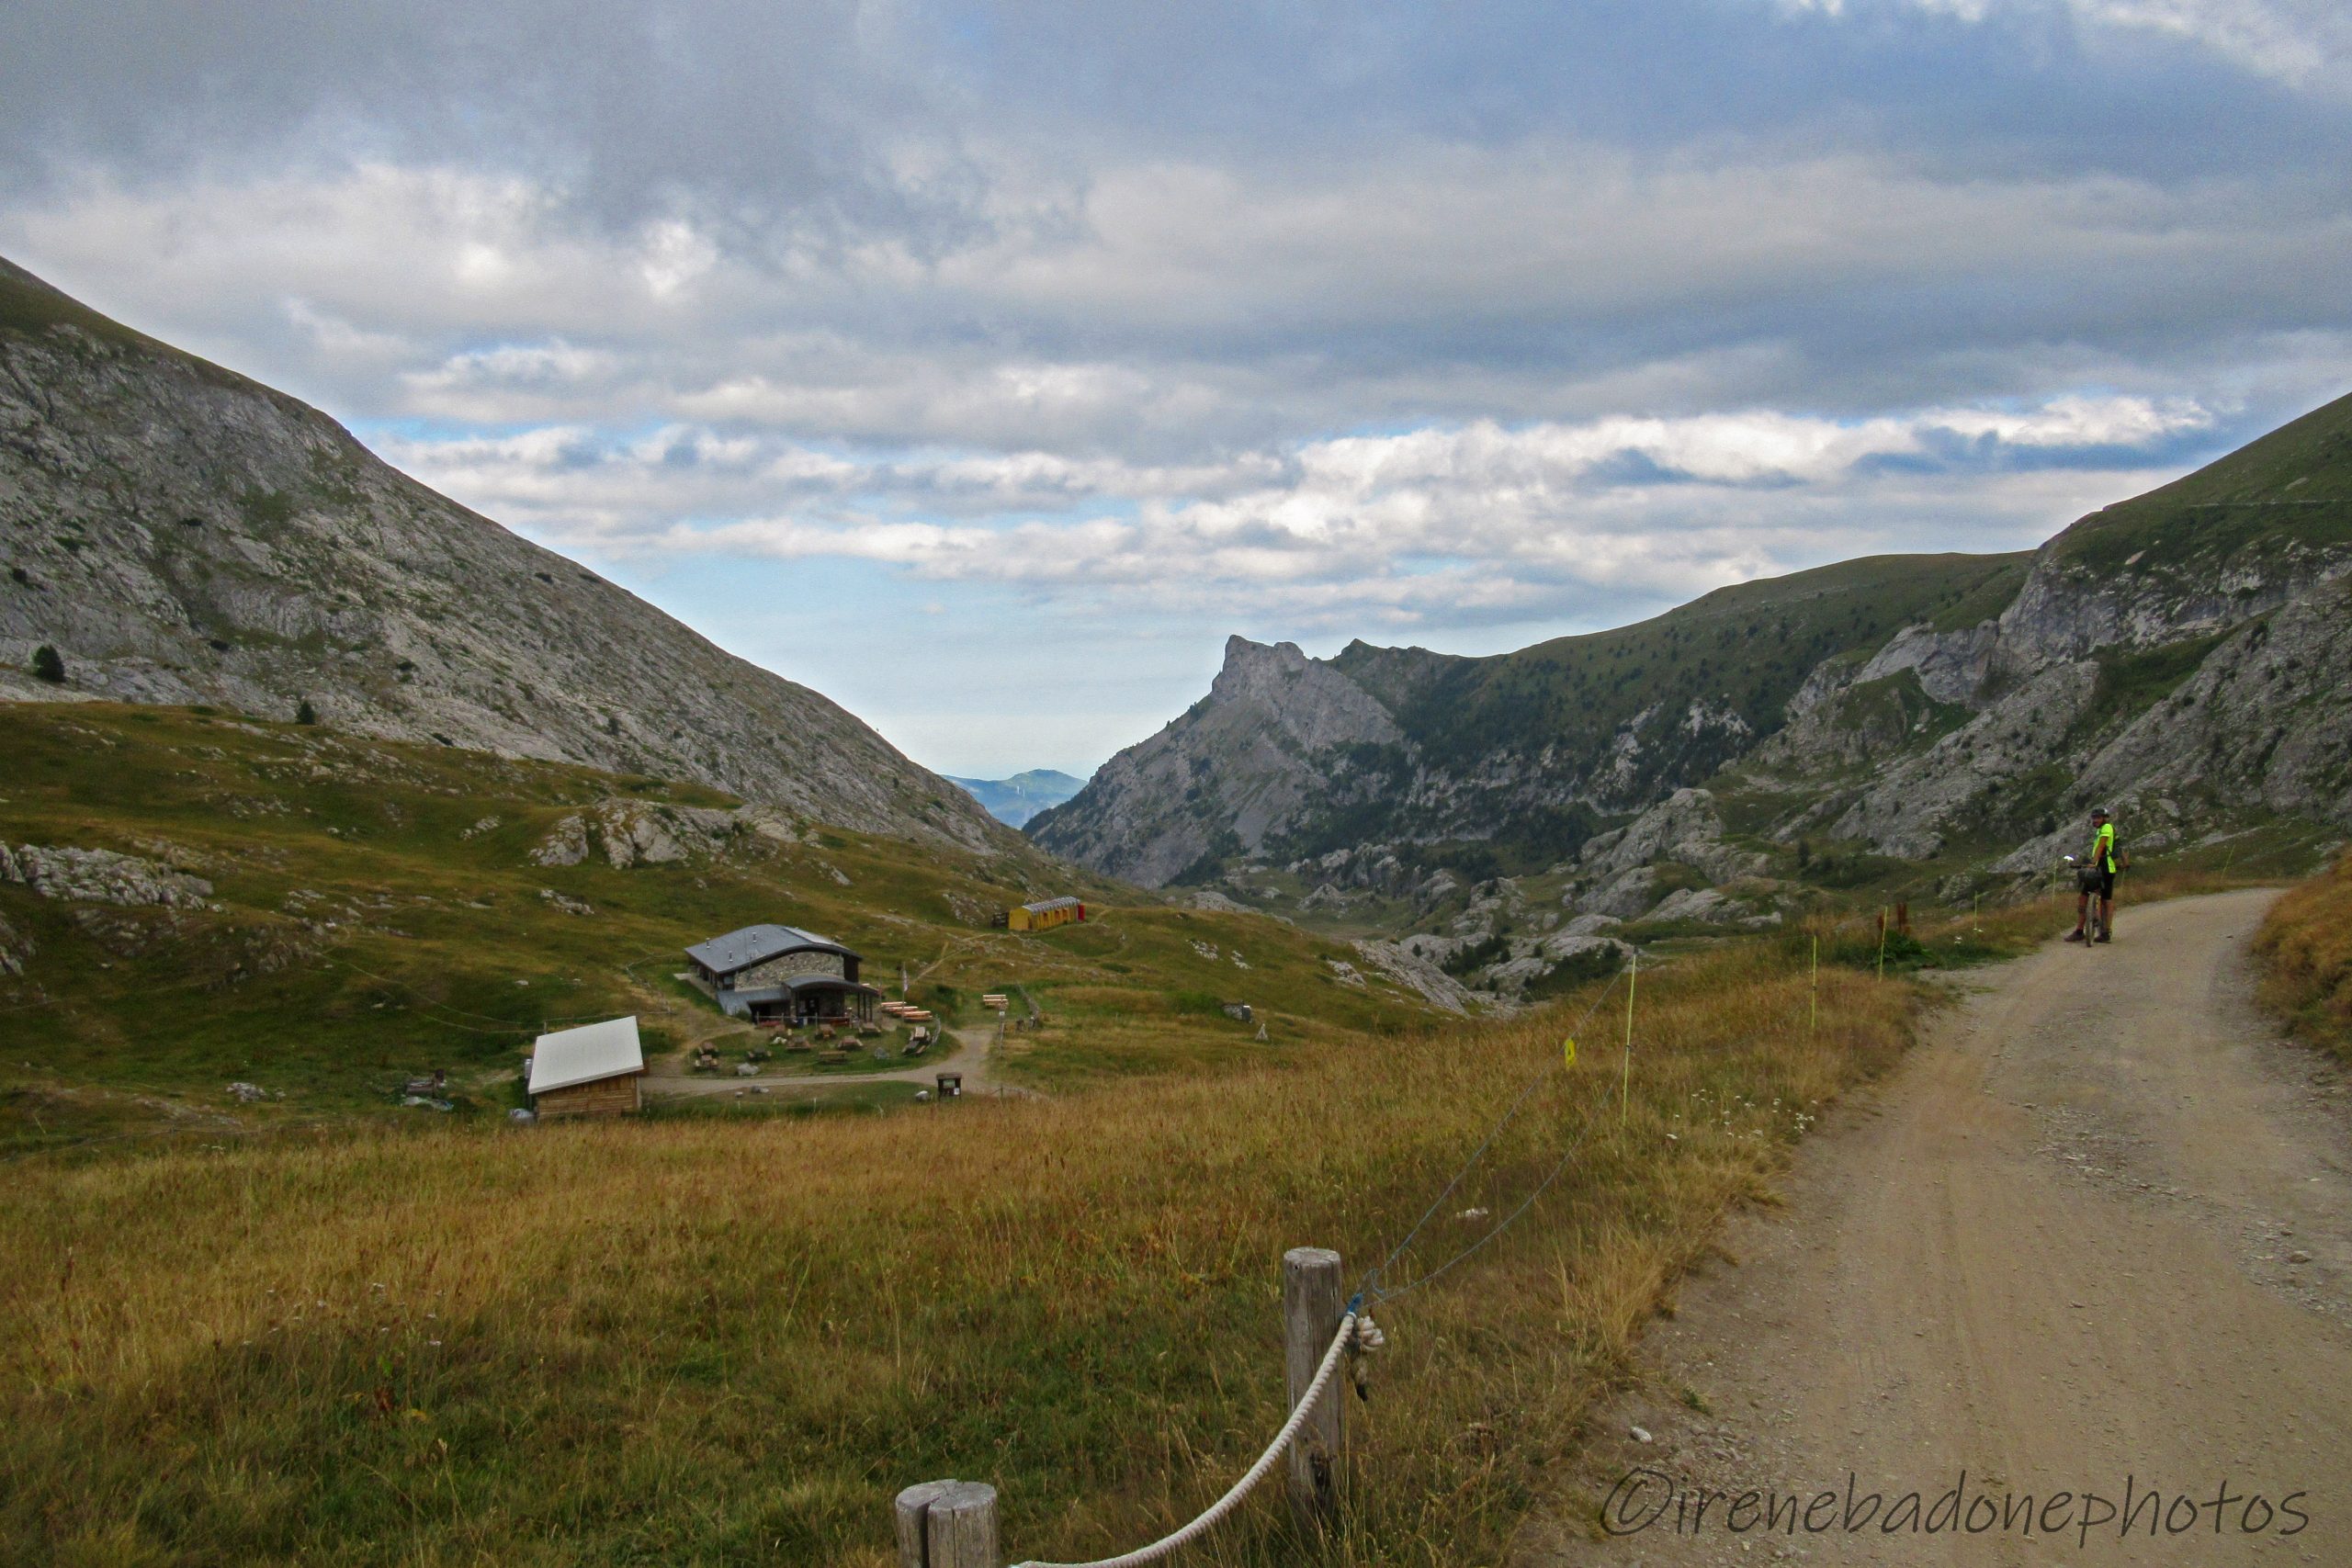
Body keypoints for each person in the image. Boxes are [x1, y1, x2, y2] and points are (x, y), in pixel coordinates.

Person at [2065, 807, 2119, 943]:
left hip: (2106, 868)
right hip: (2097, 867)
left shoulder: (2107, 827)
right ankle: (2080, 931)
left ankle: (2105, 932)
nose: (2095, 820)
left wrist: (2093, 863)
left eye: (2098, 818)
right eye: (2094, 818)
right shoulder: (2099, 830)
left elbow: (2101, 846)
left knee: (2106, 900)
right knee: (2083, 897)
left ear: (2104, 818)